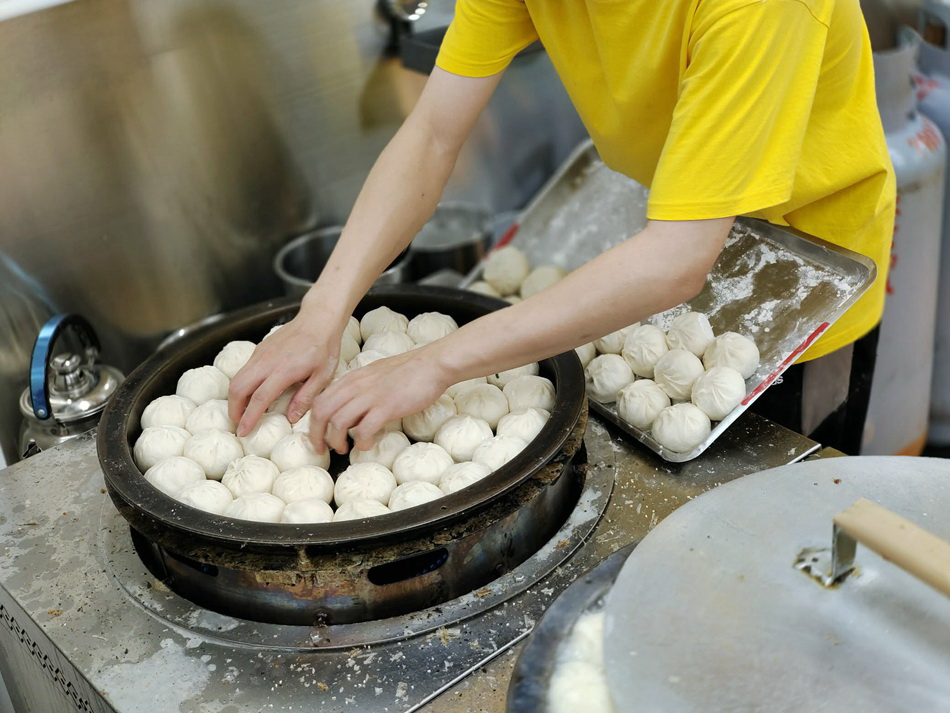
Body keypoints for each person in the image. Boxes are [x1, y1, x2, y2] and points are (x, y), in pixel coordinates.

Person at [228, 0, 895, 456]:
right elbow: (432, 135)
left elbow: (676, 261)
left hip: (805, 279)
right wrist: (321, 313)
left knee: (768, 535)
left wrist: (435, 362)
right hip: (671, 218)